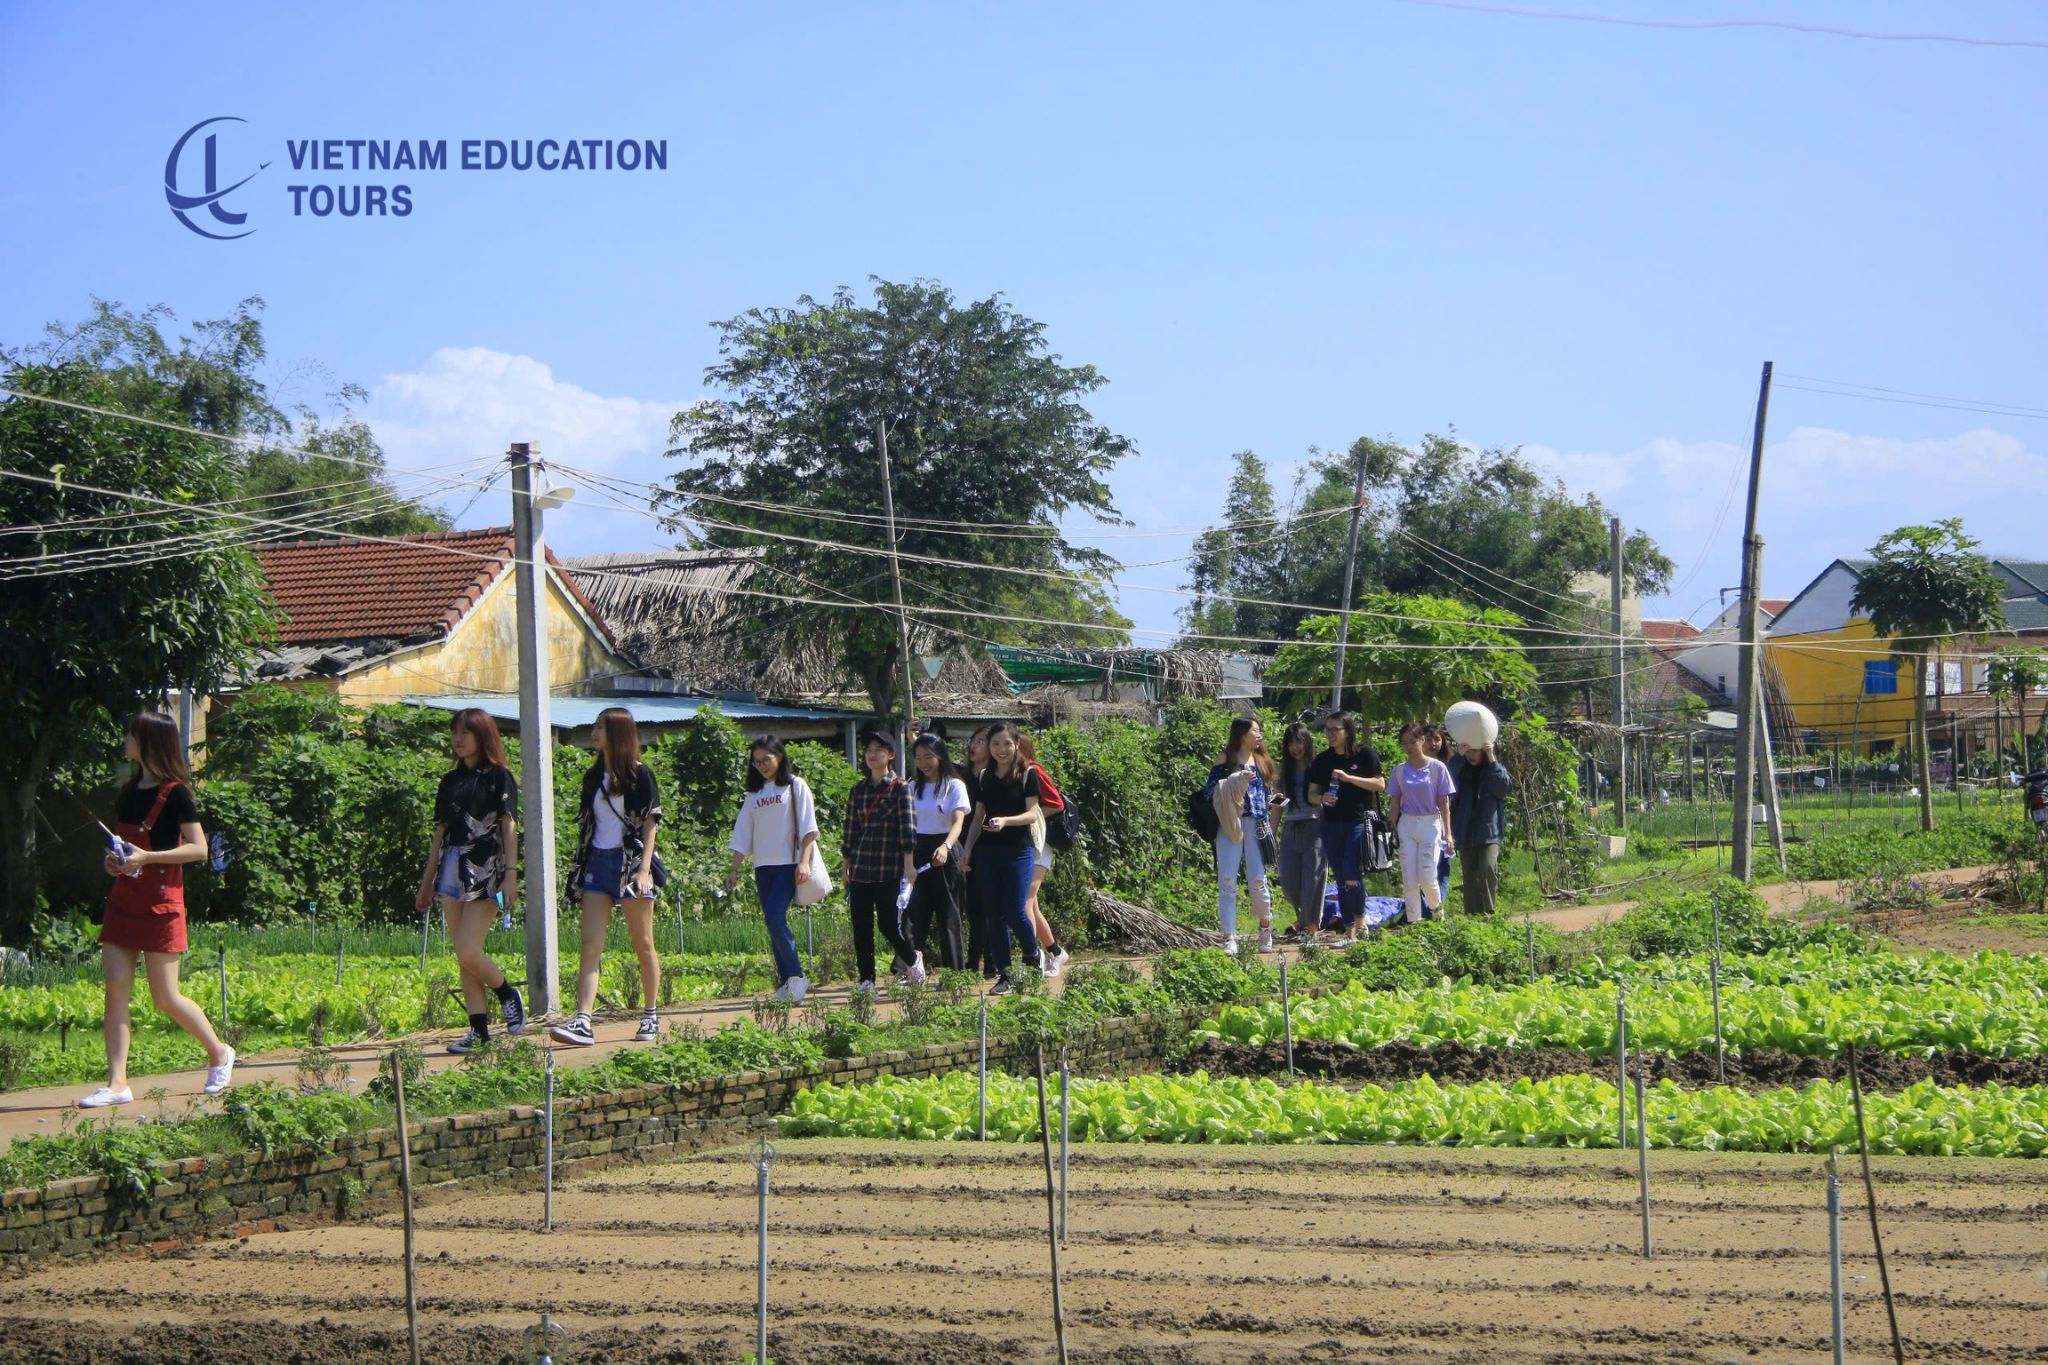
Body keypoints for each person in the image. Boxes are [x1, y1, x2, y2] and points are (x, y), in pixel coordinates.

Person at [79, 713, 235, 1108]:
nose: (125, 740)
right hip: (124, 902)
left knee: (165, 996)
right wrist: (114, 863)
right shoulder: (128, 791)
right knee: (115, 991)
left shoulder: (176, 793)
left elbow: (198, 849)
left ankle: (219, 1052)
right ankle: (117, 1084)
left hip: (163, 904)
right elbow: (123, 848)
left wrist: (147, 858)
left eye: (130, 734)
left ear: (148, 741)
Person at [416, 708, 526, 1055]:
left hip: (486, 867)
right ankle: (479, 1031)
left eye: (466, 732)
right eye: (454, 732)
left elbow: (509, 825)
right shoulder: (449, 781)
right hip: (450, 867)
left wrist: (511, 875)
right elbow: (440, 834)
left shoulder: (499, 777)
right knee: (462, 957)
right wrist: (427, 880)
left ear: (483, 735)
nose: (458, 739)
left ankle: (506, 992)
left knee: (468, 949)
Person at [552, 708, 663, 1047]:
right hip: (597, 863)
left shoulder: (640, 774)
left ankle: (650, 1014)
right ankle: (583, 1019)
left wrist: (644, 870)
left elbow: (650, 824)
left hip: (630, 863)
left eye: (601, 727)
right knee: (590, 946)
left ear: (618, 733)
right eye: (595, 726)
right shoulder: (593, 777)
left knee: (643, 943)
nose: (595, 732)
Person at [726, 736, 818, 1004]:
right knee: (771, 922)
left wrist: (803, 862)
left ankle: (797, 976)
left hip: (788, 864)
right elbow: (743, 833)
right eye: (756, 762)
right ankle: (787, 982)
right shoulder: (754, 795)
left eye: (766, 759)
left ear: (780, 756)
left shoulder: (795, 785)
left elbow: (809, 828)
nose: (762, 765)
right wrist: (734, 868)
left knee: (774, 917)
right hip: (762, 867)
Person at [960, 721, 1043, 994]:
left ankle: (1032, 955)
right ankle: (1005, 974)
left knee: (1015, 910)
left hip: (1019, 850)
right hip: (988, 853)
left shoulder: (1028, 774)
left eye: (1007, 743)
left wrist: (1006, 821)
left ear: (1017, 744)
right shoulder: (985, 776)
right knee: (993, 915)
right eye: (995, 743)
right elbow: (978, 817)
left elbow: (1032, 814)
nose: (1001, 749)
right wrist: (968, 848)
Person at [841, 730, 922, 992]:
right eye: (868, 750)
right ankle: (867, 979)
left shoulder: (900, 788)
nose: (872, 754)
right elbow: (850, 828)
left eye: (878, 750)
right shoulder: (858, 789)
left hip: (889, 867)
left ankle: (912, 960)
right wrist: (846, 864)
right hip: (861, 867)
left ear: (891, 755)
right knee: (861, 926)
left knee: (888, 924)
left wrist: (908, 863)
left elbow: (907, 827)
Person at [1306, 711, 1386, 944]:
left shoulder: (1365, 754)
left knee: (1351, 871)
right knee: (1341, 876)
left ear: (1348, 731)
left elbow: (1380, 784)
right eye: (1327, 730)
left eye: (1335, 730)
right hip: (1331, 824)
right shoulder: (1323, 760)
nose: (1330, 734)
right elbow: (1311, 794)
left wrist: (1349, 778)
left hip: (1358, 821)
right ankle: (1350, 930)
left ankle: (1361, 922)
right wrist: (1322, 798)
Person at [1207, 717, 1277, 955]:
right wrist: (1235, 781)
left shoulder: (1261, 760)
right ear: (1242, 734)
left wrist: (1273, 803)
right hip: (1230, 822)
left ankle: (1265, 927)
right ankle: (1229, 936)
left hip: (1256, 824)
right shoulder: (1225, 759)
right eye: (1255, 730)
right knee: (1227, 879)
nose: (1259, 735)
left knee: (1258, 879)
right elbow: (1210, 792)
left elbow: (1267, 794)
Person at [908, 732, 970, 970]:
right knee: (914, 912)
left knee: (949, 915)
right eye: (918, 758)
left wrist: (945, 846)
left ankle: (955, 973)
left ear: (940, 756)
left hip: (946, 851)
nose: (923, 763)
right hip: (918, 851)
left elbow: (958, 822)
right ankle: (910, 968)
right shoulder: (912, 787)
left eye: (928, 757)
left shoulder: (954, 786)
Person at [1014, 730, 1072, 977]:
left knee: (1024, 902)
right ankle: (1055, 952)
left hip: (1039, 844)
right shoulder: (1013, 775)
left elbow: (1056, 804)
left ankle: (1032, 958)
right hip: (1026, 843)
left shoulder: (1033, 771)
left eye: (1011, 745)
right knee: (1032, 905)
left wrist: (1029, 818)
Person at [1388, 721, 1457, 925]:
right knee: (1410, 879)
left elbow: (1444, 803)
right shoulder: (1399, 771)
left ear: (1422, 740)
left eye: (1413, 741)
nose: (1409, 746)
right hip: (1407, 824)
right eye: (1404, 743)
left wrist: (1448, 833)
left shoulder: (1437, 768)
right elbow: (1394, 804)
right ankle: (1414, 923)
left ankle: (1437, 912)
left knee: (1427, 876)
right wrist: (1390, 829)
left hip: (1431, 823)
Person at [1448, 737, 1513, 916]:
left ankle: (1489, 912)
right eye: (1468, 751)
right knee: (1469, 876)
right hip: (1465, 829)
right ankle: (1472, 916)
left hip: (1489, 831)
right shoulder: (1460, 769)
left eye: (1475, 751)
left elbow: (1503, 789)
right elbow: (1445, 783)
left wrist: (1492, 758)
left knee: (1487, 869)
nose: (1471, 755)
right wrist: (1458, 758)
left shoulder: (1494, 769)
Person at [1274, 722, 1326, 940]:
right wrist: (1271, 833)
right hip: (1291, 827)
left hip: (1315, 826)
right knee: (1289, 883)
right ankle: (1303, 920)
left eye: (1299, 742)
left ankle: (1311, 926)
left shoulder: (1318, 767)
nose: (1295, 747)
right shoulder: (1283, 771)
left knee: (1313, 880)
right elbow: (1277, 804)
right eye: (1290, 743)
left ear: (1307, 742)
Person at [959, 727, 994, 977]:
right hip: (963, 845)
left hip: (988, 844)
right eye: (973, 740)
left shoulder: (993, 777)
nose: (974, 745)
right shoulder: (961, 775)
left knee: (987, 907)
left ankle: (988, 961)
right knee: (973, 908)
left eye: (981, 741)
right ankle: (973, 961)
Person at [1427, 725, 1455, 907]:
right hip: (1422, 822)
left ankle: (1437, 907)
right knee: (1426, 869)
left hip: (1446, 821)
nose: (1433, 743)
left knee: (1443, 867)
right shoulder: (1413, 766)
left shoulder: (1450, 764)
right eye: (1429, 739)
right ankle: (1426, 907)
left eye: (1437, 739)